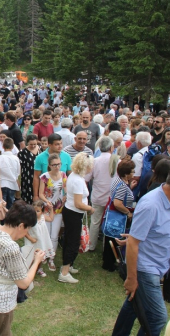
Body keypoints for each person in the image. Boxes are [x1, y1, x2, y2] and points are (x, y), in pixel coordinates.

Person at [0, 201, 44, 336]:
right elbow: (23, 283)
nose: (26, 232)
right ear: (21, 226)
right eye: (27, 229)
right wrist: (36, 262)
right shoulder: (11, 247)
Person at [112, 173, 170, 336]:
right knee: (157, 318)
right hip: (145, 269)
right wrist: (131, 279)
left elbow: (155, 232)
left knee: (134, 305)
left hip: (158, 266)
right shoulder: (151, 204)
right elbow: (133, 245)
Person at [60, 153, 94, 284]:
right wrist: (90, 208)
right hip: (74, 213)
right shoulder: (78, 180)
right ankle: (64, 272)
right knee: (72, 243)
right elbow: (78, 203)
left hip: (70, 212)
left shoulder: (74, 176)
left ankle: (68, 265)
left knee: (69, 240)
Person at [102, 159, 136, 272]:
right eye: (132, 171)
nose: (134, 173)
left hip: (112, 214)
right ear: (126, 174)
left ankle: (108, 261)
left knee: (109, 237)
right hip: (118, 216)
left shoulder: (117, 179)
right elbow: (117, 203)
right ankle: (110, 263)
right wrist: (128, 212)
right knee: (114, 237)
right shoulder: (122, 185)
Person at [84, 136, 117, 252]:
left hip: (97, 196)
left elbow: (86, 179)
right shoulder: (117, 161)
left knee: (94, 222)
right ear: (111, 148)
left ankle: (91, 245)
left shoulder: (94, 161)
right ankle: (105, 247)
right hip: (111, 198)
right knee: (109, 223)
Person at [37, 153, 67, 270]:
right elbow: (40, 193)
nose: (57, 167)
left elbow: (65, 189)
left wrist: (66, 195)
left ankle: (52, 258)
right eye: (54, 165)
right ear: (49, 165)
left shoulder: (63, 175)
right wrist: (46, 201)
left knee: (54, 235)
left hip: (58, 208)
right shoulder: (45, 177)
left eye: (59, 164)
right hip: (47, 208)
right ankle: (44, 255)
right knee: (46, 234)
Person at [33, 133, 72, 201]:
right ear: (49, 145)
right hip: (45, 196)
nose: (60, 146)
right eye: (57, 144)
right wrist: (36, 195)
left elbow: (70, 175)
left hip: (62, 196)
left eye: (61, 143)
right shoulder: (40, 157)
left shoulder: (66, 156)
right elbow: (36, 177)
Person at [24, 200, 55, 277]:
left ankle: (39, 269)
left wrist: (51, 209)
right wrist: (30, 238)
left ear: (42, 211)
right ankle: (29, 270)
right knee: (31, 256)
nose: (35, 213)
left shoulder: (43, 217)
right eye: (34, 211)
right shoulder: (30, 219)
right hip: (32, 241)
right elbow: (24, 230)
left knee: (40, 255)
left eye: (38, 211)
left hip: (41, 240)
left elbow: (51, 219)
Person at [0, 138, 21, 210]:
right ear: (13, 147)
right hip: (12, 184)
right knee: (10, 205)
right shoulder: (16, 158)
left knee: (2, 205)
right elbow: (18, 172)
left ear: (3, 146)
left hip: (2, 183)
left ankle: (3, 220)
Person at [18, 134, 40, 204]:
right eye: (31, 144)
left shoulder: (40, 150)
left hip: (39, 176)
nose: (33, 146)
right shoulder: (22, 153)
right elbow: (20, 167)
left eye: (35, 144)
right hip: (27, 178)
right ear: (27, 143)